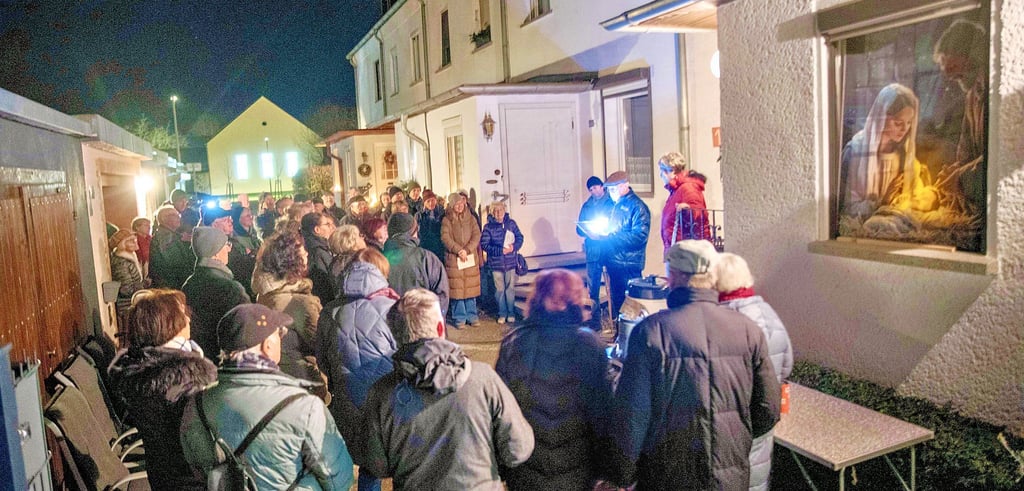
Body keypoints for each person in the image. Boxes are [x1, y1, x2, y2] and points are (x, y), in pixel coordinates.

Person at [610, 240, 780, 489]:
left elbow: (632, 417)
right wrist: (732, 438)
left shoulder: (651, 332)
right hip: (729, 477)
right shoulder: (748, 330)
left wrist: (623, 475)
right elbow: (768, 409)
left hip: (667, 477)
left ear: (675, 276)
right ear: (712, 277)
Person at [362, 288, 535, 489]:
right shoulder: (483, 379)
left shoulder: (382, 393)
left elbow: (377, 466)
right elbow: (518, 449)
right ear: (439, 328)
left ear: (396, 335)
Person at [180, 304, 354, 490]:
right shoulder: (304, 405)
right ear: (267, 345)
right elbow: (338, 479)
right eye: (279, 335)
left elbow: (200, 466)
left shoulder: (198, 403)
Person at [495, 270, 613, 490]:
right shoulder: (591, 345)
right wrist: (605, 469)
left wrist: (502, 465)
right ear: (576, 300)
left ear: (538, 298)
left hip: (525, 469)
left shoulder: (514, 343)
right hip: (578, 472)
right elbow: (602, 414)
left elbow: (500, 412)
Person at [107, 289, 217, 490]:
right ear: (168, 323)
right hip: (194, 480)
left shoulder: (140, 374)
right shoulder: (183, 379)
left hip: (161, 474)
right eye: (182, 314)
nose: (189, 319)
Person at [317, 249, 398, 491]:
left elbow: (322, 360)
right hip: (389, 403)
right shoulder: (394, 305)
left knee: (366, 463)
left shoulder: (330, 311)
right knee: (394, 464)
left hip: (347, 400)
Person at [715, 252, 793, 491]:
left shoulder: (726, 321)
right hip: (764, 420)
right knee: (756, 479)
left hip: (734, 425)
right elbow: (787, 363)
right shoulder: (767, 312)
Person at [841, 83, 936, 220]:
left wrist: (910, 201)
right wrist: (882, 203)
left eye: (909, 123)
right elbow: (845, 209)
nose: (904, 129)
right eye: (898, 123)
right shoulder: (855, 152)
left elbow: (918, 194)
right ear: (881, 117)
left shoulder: (904, 154)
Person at [253, 229, 326, 387]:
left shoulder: (265, 294)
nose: (306, 253)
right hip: (305, 380)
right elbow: (321, 345)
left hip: (278, 377)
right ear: (291, 260)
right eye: (301, 251)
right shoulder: (301, 303)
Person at [585, 171, 651, 320]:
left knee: (629, 307)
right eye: (610, 190)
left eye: (613, 190)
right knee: (617, 306)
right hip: (615, 262)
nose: (611, 193)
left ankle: (627, 337)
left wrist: (610, 237)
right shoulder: (616, 206)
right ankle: (618, 334)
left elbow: (640, 236)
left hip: (628, 264)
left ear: (624, 186)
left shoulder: (637, 207)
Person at [180, 226, 251, 360]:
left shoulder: (189, 284)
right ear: (216, 252)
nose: (229, 249)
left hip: (201, 354)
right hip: (223, 357)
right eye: (226, 245)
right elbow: (245, 327)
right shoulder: (230, 288)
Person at [382, 212, 449, 314]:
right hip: (422, 322)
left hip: (389, 324)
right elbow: (441, 294)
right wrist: (436, 319)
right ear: (413, 232)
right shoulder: (426, 258)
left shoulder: (378, 259)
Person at [441, 192, 482, 328]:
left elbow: (476, 235)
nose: (459, 206)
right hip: (454, 259)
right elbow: (445, 238)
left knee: (470, 288)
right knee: (457, 289)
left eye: (461, 203)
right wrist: (458, 250)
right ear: (452, 206)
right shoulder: (446, 220)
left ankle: (472, 315)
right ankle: (460, 317)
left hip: (469, 257)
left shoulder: (471, 218)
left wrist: (468, 250)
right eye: (456, 204)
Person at [480, 201, 524, 324]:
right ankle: (502, 313)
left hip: (510, 262)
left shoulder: (511, 224)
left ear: (504, 211)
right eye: (496, 211)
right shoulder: (488, 227)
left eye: (500, 210)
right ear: (492, 213)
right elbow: (484, 245)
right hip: (496, 264)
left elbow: (520, 237)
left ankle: (511, 313)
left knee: (510, 288)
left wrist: (513, 247)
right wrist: (500, 251)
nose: (498, 213)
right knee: (499, 290)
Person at [658, 151, 711, 253]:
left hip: (687, 253)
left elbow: (697, 214)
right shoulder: (677, 190)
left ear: (672, 171)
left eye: (662, 171)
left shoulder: (688, 188)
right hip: (679, 251)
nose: (661, 175)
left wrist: (687, 210)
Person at [576, 176, 612, 322]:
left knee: (613, 284)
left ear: (602, 186)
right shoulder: (587, 206)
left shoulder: (612, 203)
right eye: (590, 189)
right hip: (593, 251)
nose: (593, 191)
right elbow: (579, 228)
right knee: (593, 288)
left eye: (595, 187)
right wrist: (588, 232)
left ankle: (614, 316)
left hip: (609, 249)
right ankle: (595, 318)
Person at [150, 205, 195, 290]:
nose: (178, 217)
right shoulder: (166, 238)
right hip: (171, 287)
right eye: (174, 215)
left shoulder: (170, 235)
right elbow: (177, 265)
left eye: (178, 214)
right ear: (163, 219)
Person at [109, 229, 147, 327]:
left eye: (135, 239)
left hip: (134, 304)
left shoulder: (130, 257)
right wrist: (143, 286)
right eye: (131, 240)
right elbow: (126, 289)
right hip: (127, 306)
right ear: (122, 244)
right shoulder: (121, 263)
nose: (135, 242)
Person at [301, 211, 338, 305]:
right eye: (327, 224)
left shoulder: (318, 247)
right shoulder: (318, 252)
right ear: (317, 230)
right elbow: (324, 284)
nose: (331, 227)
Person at [227, 205, 261, 299]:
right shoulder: (234, 239)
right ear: (238, 219)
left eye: (251, 214)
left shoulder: (254, 236)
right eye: (247, 215)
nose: (251, 217)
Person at [328, 224, 367, 297]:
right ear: (351, 241)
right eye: (359, 236)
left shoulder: (335, 262)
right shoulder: (359, 260)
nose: (363, 238)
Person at [415, 189, 445, 260]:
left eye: (433, 200)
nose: (431, 203)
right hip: (425, 247)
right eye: (428, 201)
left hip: (439, 247)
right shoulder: (419, 215)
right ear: (424, 203)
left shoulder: (441, 213)